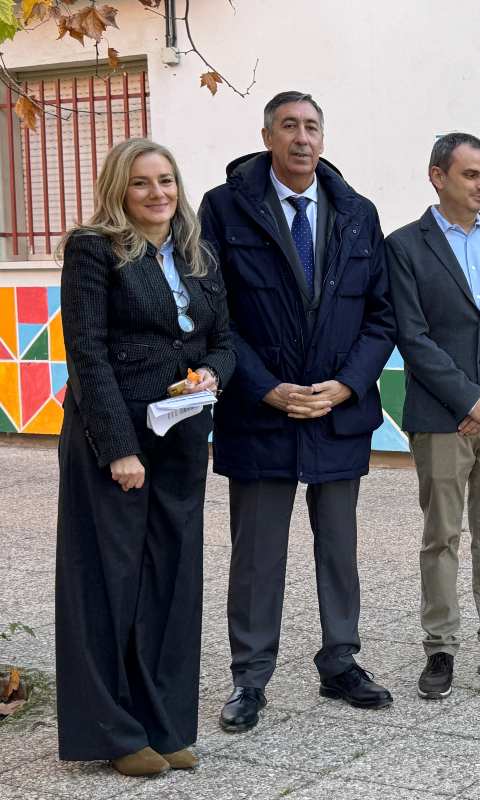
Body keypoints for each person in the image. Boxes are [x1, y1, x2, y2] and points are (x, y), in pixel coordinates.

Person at [199, 90, 396, 732]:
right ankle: (250, 679)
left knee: (338, 546)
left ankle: (340, 662)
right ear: (266, 136)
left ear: (324, 138)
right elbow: (215, 314)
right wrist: (266, 388)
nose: (302, 138)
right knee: (258, 556)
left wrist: (346, 385)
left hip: (337, 411)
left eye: (312, 126)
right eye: (289, 126)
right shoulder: (224, 210)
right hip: (262, 412)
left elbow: (382, 314)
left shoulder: (358, 212)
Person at [55, 138, 235, 776]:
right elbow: (88, 353)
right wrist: (118, 447)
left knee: (173, 580)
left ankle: (164, 724)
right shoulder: (92, 249)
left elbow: (223, 337)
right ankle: (113, 731)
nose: (158, 194)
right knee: (111, 582)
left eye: (166, 181)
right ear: (118, 191)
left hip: (182, 434)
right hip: (117, 439)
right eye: (141, 183)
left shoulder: (196, 251)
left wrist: (211, 372)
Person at [386, 132, 480, 699]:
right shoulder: (404, 246)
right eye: (470, 174)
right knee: (441, 533)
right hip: (442, 417)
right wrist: (467, 398)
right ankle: (441, 647)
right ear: (438, 176)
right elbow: (412, 334)